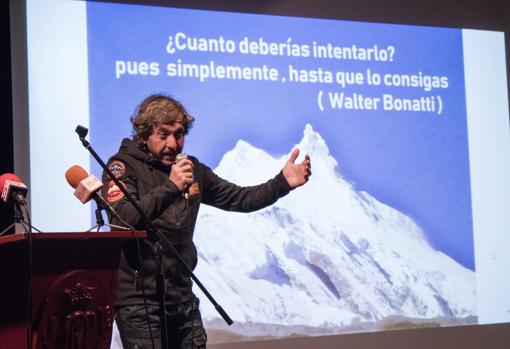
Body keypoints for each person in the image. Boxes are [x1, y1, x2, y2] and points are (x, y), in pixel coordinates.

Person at [102, 94, 311, 349]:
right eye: (163, 134)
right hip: (140, 301)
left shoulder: (193, 169)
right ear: (144, 135)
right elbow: (123, 219)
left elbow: (239, 198)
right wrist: (172, 186)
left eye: (179, 134)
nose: (173, 143)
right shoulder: (122, 167)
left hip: (181, 296)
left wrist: (282, 183)